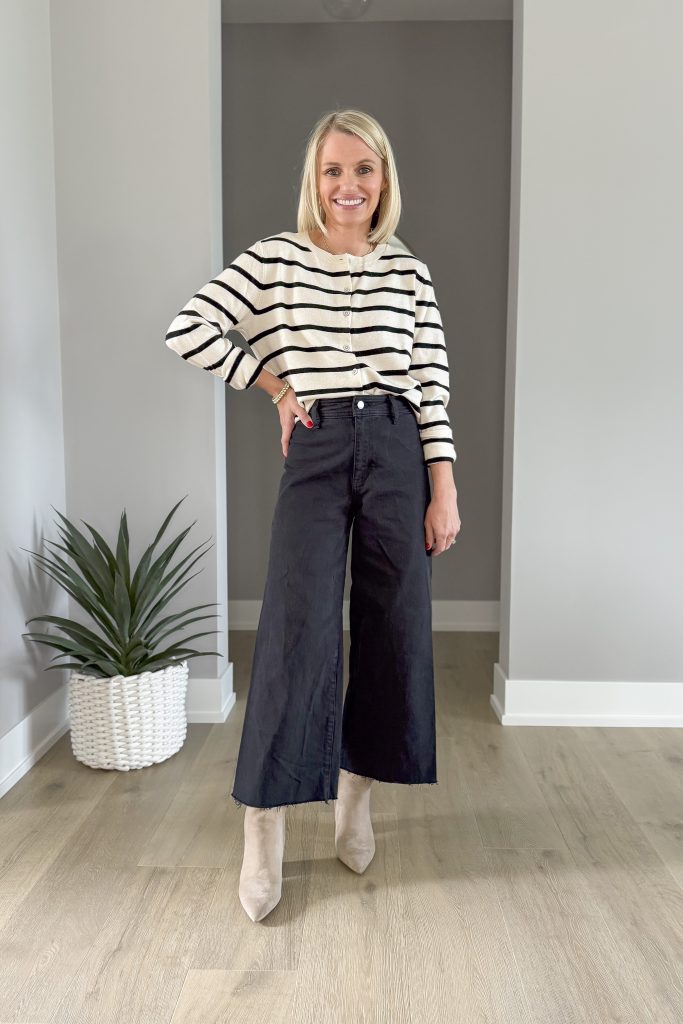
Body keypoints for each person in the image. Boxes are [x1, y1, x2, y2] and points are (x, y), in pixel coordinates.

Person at [165, 109, 461, 922]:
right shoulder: (277, 259)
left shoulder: (410, 272)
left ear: (384, 180)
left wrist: (445, 485)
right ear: (313, 180)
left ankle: (354, 800)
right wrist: (277, 385)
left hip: (399, 447)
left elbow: (430, 385)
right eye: (333, 171)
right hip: (322, 444)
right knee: (296, 627)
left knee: (393, 626)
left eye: (363, 170)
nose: (347, 187)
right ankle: (261, 826)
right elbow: (187, 328)